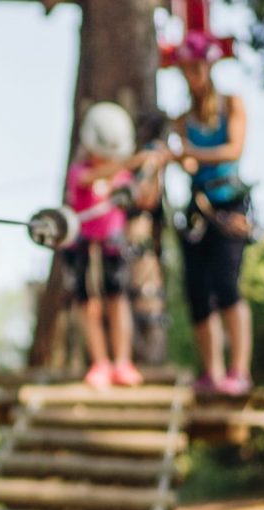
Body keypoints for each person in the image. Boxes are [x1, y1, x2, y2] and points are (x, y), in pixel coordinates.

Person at [168, 29, 254, 396]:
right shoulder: (182, 120)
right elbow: (184, 163)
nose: (191, 76)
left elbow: (233, 149)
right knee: (198, 290)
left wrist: (187, 153)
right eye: (185, 70)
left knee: (226, 284)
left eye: (196, 68)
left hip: (229, 204)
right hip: (197, 207)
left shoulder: (231, 105)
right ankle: (213, 372)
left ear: (208, 68)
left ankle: (239, 371)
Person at [66, 102, 164, 388]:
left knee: (117, 301)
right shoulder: (80, 171)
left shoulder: (122, 178)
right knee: (90, 306)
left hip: (113, 245)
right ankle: (100, 362)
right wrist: (132, 161)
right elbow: (88, 178)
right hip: (83, 246)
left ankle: (122, 362)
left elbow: (145, 200)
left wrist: (151, 168)